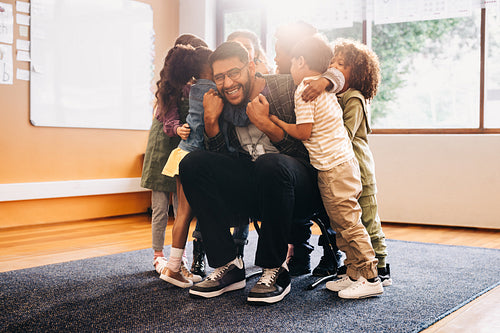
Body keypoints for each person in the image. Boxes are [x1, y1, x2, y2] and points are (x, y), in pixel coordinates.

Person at [179, 41, 343, 304]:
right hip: (258, 189)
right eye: (219, 77)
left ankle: (275, 267)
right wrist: (210, 122)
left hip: (301, 188)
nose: (227, 82)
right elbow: (225, 165)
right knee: (192, 163)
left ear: (251, 67)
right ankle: (228, 264)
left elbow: (306, 152)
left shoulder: (287, 87)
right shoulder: (222, 102)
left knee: (271, 163)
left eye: (234, 72)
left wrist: (267, 125)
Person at [270, 35, 383, 299]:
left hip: (335, 167)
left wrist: (277, 122)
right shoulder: (326, 85)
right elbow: (338, 77)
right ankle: (354, 272)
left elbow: (304, 131)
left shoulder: (305, 89)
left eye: (291, 62)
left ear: (300, 61)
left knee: (349, 223)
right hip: (341, 165)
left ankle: (370, 277)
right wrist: (324, 79)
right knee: (341, 224)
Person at [272, 21, 343, 276]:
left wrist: (325, 80)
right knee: (295, 207)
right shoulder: (284, 72)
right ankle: (300, 254)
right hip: (298, 152)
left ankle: (332, 253)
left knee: (331, 206)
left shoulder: (316, 72)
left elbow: (338, 74)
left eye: (279, 47)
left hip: (324, 150)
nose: (276, 54)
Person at [141, 33, 207, 281]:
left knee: (183, 208)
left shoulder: (193, 88)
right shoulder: (168, 90)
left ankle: (179, 257)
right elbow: (168, 121)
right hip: (162, 150)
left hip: (183, 150)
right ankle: (159, 255)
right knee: (159, 207)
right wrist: (177, 128)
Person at [329, 38, 391, 286]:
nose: (334, 66)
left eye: (341, 64)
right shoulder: (338, 96)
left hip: (360, 171)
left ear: (356, 73)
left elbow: (345, 134)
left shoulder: (353, 98)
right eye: (332, 61)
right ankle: (354, 265)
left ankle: (382, 266)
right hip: (347, 171)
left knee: (368, 221)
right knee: (350, 222)